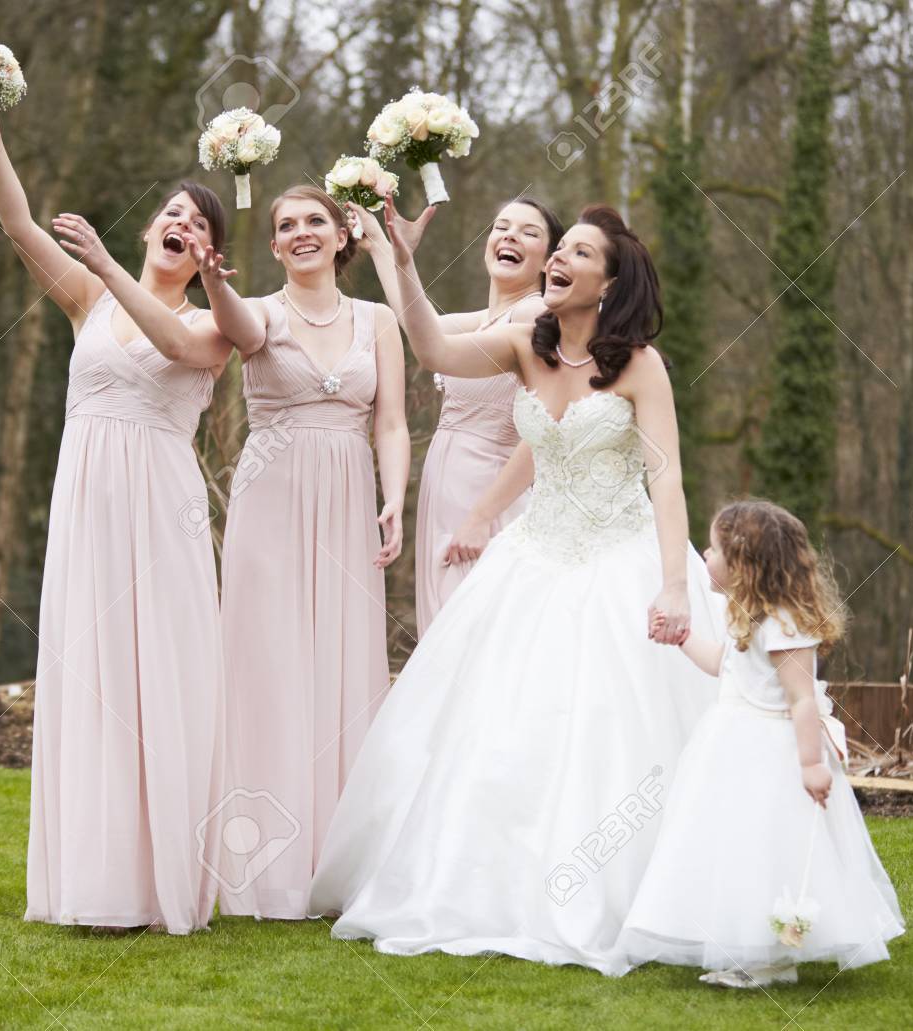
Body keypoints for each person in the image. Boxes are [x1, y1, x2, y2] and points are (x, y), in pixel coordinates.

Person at [308, 200, 722, 974]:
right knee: (494, 727)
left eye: (578, 252)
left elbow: (666, 482)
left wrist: (673, 586)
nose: (559, 257)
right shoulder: (524, 345)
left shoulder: (639, 364)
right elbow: (432, 345)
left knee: (608, 727)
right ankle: (483, 884)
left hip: (618, 556)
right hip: (532, 558)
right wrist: (400, 259)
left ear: (608, 281)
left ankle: (618, 892)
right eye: (558, 248)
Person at [0, 91, 245, 933]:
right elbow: (17, 228)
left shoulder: (215, 321)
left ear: (206, 252)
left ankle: (160, 883)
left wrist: (114, 267)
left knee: (157, 679)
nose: (175, 222)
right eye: (168, 211)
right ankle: (95, 879)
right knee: (92, 676)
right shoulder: (89, 299)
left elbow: (176, 349)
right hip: (86, 504)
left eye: (192, 221)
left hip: (162, 514)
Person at [206, 185, 409, 919]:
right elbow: (234, 328)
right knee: (269, 661)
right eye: (285, 225)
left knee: (344, 659)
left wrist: (394, 495)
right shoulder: (257, 310)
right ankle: (261, 861)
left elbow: (391, 421)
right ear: (273, 244)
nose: (299, 233)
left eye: (313, 221)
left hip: (349, 490)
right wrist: (211, 281)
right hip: (271, 495)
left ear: (340, 234)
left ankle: (341, 856)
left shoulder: (379, 320)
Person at [618, 499, 904, 986]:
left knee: (768, 845)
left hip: (771, 753)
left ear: (744, 563)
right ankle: (749, 945)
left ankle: (771, 959)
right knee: (737, 846)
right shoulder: (743, 614)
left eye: (713, 549)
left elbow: (801, 701)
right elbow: (721, 666)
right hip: (731, 743)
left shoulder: (784, 624)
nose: (704, 555)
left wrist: (811, 763)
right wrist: (681, 637)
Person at [353, 197, 564, 634]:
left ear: (548, 260)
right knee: (447, 633)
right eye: (501, 226)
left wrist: (481, 517)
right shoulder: (488, 319)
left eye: (529, 232)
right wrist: (382, 246)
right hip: (446, 494)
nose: (510, 235)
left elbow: (548, 429)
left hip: (487, 498)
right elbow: (418, 327)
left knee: (475, 636)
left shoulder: (534, 315)